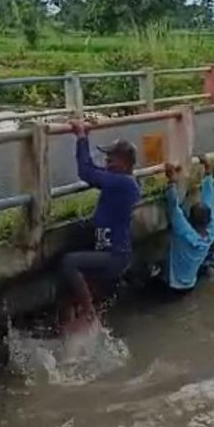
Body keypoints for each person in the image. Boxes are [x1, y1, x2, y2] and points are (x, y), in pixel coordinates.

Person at [59, 121, 141, 331]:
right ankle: (79, 318)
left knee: (70, 263)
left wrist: (81, 137)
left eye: (111, 159)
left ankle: (88, 314)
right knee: (80, 276)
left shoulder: (120, 183)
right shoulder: (124, 181)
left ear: (124, 163)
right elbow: (95, 171)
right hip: (112, 250)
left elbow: (86, 172)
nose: (106, 162)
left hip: (113, 256)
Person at [163, 155, 214, 293]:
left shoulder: (184, 233)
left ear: (190, 220)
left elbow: (173, 207)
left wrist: (172, 181)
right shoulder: (211, 230)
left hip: (173, 285)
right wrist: (208, 170)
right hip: (190, 283)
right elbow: (208, 198)